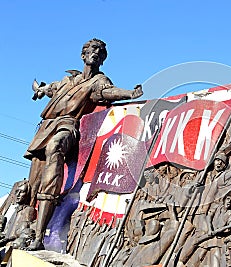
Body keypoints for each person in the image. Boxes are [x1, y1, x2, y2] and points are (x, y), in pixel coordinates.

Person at [24, 38, 144, 250]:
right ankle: (27, 228)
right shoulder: (67, 81)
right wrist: (40, 90)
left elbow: (108, 92)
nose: (96, 53)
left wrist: (130, 94)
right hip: (45, 128)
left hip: (67, 126)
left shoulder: (98, 81)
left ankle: (39, 237)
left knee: (56, 147)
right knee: (33, 182)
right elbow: (49, 89)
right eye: (92, 49)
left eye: (100, 51)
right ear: (83, 55)